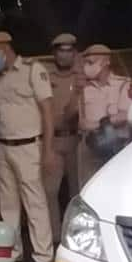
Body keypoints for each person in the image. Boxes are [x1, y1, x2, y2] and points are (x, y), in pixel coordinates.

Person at [0, 31, 55, 262]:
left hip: (28, 146)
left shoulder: (33, 70)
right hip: (2, 146)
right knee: (8, 205)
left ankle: (43, 257)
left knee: (34, 202)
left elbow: (47, 112)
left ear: (4, 49)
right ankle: (15, 251)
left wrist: (48, 150)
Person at [43, 33, 83, 243]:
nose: (64, 55)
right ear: (54, 54)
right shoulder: (46, 77)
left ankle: (78, 238)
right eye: (60, 51)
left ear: (75, 53)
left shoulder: (82, 77)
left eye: (69, 51)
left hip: (77, 140)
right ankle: (56, 239)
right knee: (50, 191)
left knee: (77, 192)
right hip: (54, 140)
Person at [78, 44, 132, 187]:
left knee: (117, 187)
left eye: (91, 62)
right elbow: (81, 122)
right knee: (89, 188)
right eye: (85, 63)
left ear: (106, 62)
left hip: (117, 146)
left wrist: (100, 123)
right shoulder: (83, 87)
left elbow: (125, 115)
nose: (86, 67)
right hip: (90, 147)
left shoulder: (123, 84)